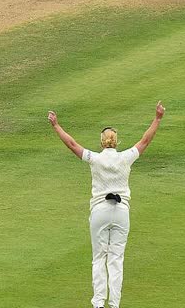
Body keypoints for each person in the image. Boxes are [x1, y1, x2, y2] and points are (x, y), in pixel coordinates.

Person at [47, 101, 166, 308]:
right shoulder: (125, 158)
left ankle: (99, 304)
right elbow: (145, 141)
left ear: (102, 143)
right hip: (121, 212)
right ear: (116, 142)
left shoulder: (95, 159)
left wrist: (57, 126)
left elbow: (73, 145)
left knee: (99, 258)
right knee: (116, 259)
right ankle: (114, 304)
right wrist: (157, 119)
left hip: (100, 211)